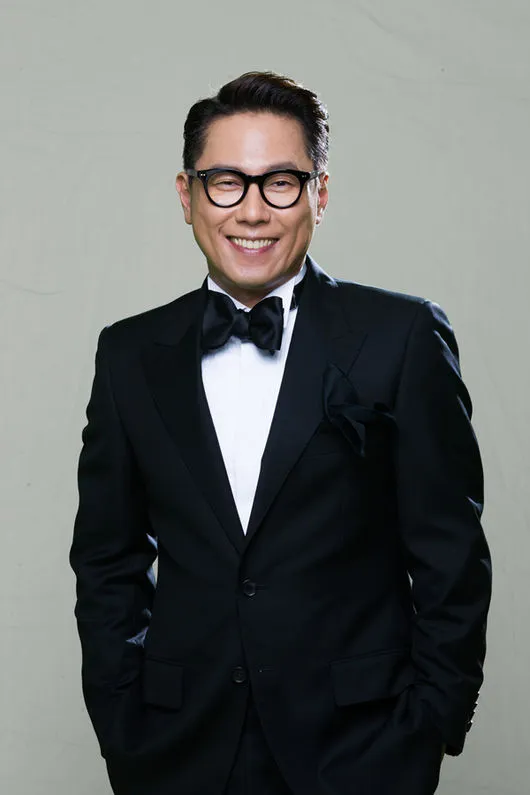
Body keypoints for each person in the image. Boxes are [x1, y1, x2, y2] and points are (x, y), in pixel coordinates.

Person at [70, 71, 492, 795]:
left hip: (362, 751)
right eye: (226, 182)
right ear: (187, 196)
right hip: (177, 752)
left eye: (281, 183)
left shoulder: (402, 337)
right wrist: (121, 719)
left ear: (319, 195)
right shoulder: (129, 354)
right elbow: (107, 559)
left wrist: (430, 726)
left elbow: (451, 557)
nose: (252, 210)